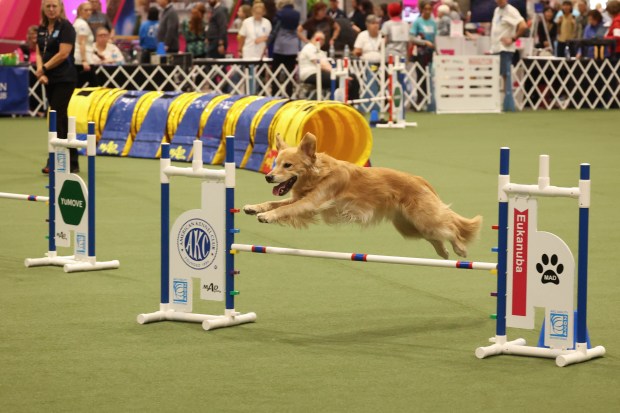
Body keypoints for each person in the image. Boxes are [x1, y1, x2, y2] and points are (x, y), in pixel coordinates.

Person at [36, 0, 79, 174]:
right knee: (60, 117)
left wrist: (44, 68)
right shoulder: (42, 28)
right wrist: (41, 72)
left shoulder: (67, 27)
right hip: (49, 78)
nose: (52, 9)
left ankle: (56, 159)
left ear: (61, 8)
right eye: (48, 6)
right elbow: (39, 51)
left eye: (54, 6)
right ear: (44, 9)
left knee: (57, 116)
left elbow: (63, 54)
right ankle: (72, 160)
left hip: (65, 78)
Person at [297, 31, 359, 99]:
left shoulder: (321, 52)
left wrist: (342, 74)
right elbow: (322, 65)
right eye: (318, 38)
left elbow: (327, 66)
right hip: (310, 74)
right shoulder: (309, 48)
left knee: (353, 77)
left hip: (321, 73)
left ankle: (354, 103)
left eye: (323, 39)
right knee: (342, 81)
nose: (321, 41)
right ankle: (339, 102)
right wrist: (338, 74)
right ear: (312, 38)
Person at [489, 0, 527, 112]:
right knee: (498, 76)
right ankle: (498, 103)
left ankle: (508, 104)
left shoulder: (511, 10)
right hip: (496, 48)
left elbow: (523, 26)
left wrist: (513, 39)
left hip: (505, 49)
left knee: (506, 75)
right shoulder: (497, 10)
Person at [270, 0, 300, 97]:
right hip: (292, 47)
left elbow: (275, 30)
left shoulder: (280, 14)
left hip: (280, 47)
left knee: (276, 73)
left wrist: (268, 43)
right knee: (290, 73)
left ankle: (275, 94)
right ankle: (289, 95)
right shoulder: (297, 14)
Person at [73, 2, 94, 86]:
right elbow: (82, 43)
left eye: (90, 10)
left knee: (78, 85)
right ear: (80, 11)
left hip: (79, 59)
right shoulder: (82, 24)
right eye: (86, 10)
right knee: (94, 85)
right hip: (83, 60)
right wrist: (84, 60)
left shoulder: (77, 22)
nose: (89, 12)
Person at [410, 1, 437, 66]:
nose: (427, 11)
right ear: (421, 9)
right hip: (420, 53)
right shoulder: (417, 22)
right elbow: (411, 38)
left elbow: (436, 36)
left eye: (429, 9)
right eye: (425, 9)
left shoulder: (434, 22)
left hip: (432, 52)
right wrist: (424, 42)